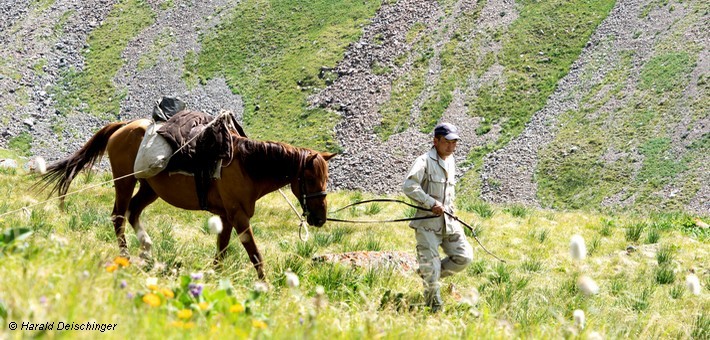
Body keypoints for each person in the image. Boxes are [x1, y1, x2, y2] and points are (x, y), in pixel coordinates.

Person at [402, 122, 473, 312]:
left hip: (449, 223)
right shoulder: (423, 161)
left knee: (464, 257)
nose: (452, 147)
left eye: (455, 142)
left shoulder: (451, 161)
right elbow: (409, 186)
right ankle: (435, 310)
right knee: (431, 270)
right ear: (436, 141)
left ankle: (428, 273)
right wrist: (430, 203)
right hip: (427, 226)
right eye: (448, 142)